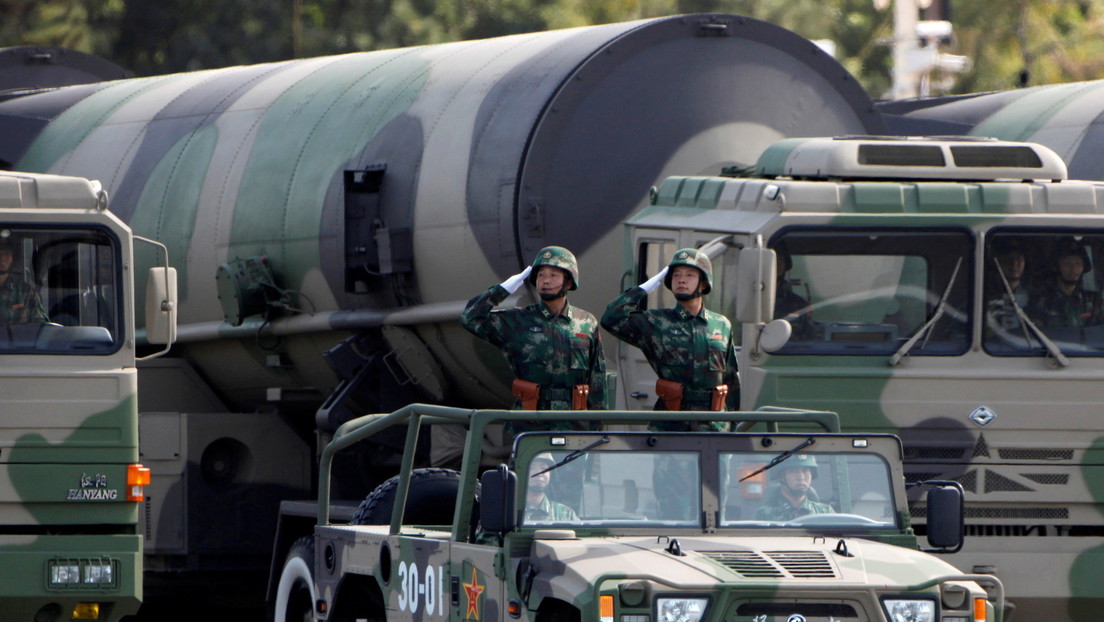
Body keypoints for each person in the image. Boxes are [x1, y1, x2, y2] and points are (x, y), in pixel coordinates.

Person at [460, 246, 606, 433]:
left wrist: (598, 429)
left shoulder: (585, 322)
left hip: (574, 422)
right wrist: (503, 290)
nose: (545, 280)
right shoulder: (517, 321)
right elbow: (469, 318)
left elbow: (597, 377)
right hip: (530, 420)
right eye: (540, 275)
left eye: (553, 275)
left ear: (568, 283)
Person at [601, 248, 739, 431]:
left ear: (704, 284)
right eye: (676, 275)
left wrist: (734, 426)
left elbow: (730, 380)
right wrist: (644, 288)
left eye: (690, 275)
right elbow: (611, 318)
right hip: (672, 424)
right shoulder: (656, 322)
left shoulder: (721, 325)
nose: (681, 280)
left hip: (714, 426)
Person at [1027, 238, 1103, 328]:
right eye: (1067, 263)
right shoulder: (1040, 301)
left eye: (1078, 264)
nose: (1073, 269)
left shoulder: (1093, 301)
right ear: (1056, 266)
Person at [755, 455, 834, 521]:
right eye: (794, 471)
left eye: (805, 471)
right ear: (781, 477)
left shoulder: (825, 513)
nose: (801, 477)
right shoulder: (765, 515)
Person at [0, 239, 48, 324]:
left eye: (7, 253)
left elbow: (40, 327)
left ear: (12, 258)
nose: (2, 257)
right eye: (0, 253)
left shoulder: (26, 291)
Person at [524, 454, 579, 522]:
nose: (539, 473)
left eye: (544, 468)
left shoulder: (566, 515)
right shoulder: (509, 513)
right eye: (531, 468)